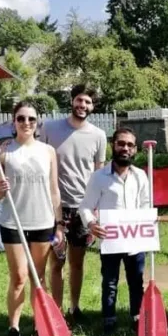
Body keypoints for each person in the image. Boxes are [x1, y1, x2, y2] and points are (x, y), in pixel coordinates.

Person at [0, 101, 65, 336]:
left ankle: (38, 326)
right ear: (14, 122)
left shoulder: (48, 151)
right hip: (13, 222)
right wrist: (0, 190)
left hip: (43, 221)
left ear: (37, 123)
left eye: (31, 119)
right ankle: (13, 327)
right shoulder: (2, 153)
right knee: (19, 277)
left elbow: (54, 190)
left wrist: (59, 223)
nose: (26, 123)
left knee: (38, 277)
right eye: (21, 118)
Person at [39, 84, 107, 322]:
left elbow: (99, 174)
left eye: (87, 102)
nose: (82, 105)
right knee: (57, 261)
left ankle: (74, 308)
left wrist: (96, 208)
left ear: (92, 106)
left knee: (77, 263)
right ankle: (56, 311)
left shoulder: (98, 136)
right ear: (72, 100)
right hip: (54, 208)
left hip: (82, 209)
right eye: (79, 100)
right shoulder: (49, 128)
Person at [78, 127, 151, 336]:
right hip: (110, 240)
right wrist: (91, 224)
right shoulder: (99, 177)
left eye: (130, 145)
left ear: (135, 149)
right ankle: (109, 321)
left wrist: (149, 219)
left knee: (136, 281)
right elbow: (85, 207)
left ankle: (137, 318)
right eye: (121, 144)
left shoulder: (141, 176)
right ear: (113, 145)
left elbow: (146, 204)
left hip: (135, 240)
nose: (125, 148)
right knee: (109, 282)